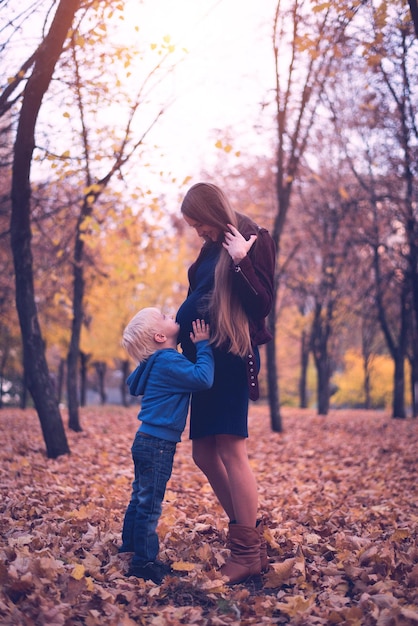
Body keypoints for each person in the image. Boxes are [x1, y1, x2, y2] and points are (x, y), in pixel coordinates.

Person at [176, 182, 276, 585]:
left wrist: (240, 261)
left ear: (213, 213)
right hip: (202, 359)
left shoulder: (254, 238)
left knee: (232, 451)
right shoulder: (207, 248)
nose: (197, 231)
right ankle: (246, 529)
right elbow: (198, 297)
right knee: (203, 453)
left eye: (199, 222)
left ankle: (246, 552)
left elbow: (262, 304)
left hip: (230, 357)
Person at [119, 307, 214, 584]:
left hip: (146, 440)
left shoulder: (159, 362)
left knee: (139, 497)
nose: (172, 315)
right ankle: (144, 562)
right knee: (149, 504)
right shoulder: (168, 360)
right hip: (158, 444)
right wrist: (204, 345)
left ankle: (129, 547)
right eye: (164, 317)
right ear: (160, 336)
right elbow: (203, 378)